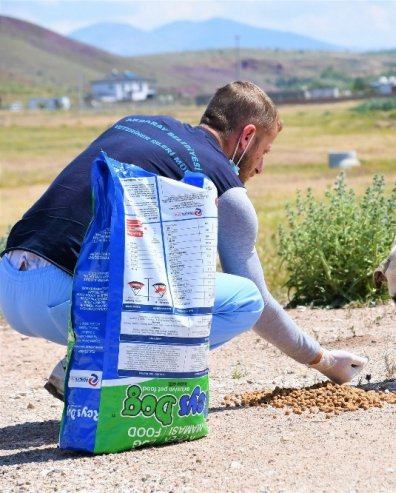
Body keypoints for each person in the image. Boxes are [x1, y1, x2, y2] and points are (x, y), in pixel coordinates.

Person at [0, 81, 367, 399]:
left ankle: (85, 360)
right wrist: (323, 359)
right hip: (67, 298)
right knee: (244, 300)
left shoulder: (136, 123)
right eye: (264, 152)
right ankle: (99, 367)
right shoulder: (222, 180)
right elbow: (261, 304)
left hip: (11, 282)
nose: (260, 168)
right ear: (247, 135)